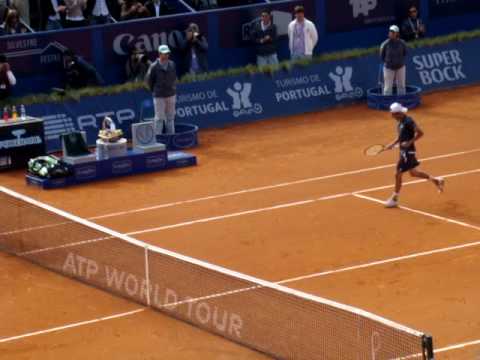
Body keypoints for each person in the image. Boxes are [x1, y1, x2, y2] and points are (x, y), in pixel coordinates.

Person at [383, 102, 444, 208]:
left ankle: (394, 199)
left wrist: (409, 142)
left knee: (397, 174)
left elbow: (420, 133)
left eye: (393, 114)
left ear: (399, 113)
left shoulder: (408, 121)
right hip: (403, 152)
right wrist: (392, 144)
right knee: (414, 173)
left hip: (408, 152)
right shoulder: (400, 123)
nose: (392, 116)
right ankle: (437, 181)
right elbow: (400, 138)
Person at [146, 45, 177, 135]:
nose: (166, 55)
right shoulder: (154, 66)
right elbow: (149, 81)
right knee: (159, 118)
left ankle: (171, 137)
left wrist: (173, 87)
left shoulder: (172, 64)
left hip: (171, 94)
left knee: (170, 118)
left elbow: (174, 77)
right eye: (164, 54)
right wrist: (155, 91)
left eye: (167, 53)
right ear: (159, 54)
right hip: (159, 96)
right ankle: (158, 139)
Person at [380, 25, 408, 95]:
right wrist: (389, 63)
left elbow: (405, 53)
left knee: (401, 86)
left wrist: (398, 61)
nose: (390, 33)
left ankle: (401, 102)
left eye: (393, 32)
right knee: (388, 87)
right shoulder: (385, 44)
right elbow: (382, 56)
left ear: (397, 34)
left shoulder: (402, 43)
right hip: (388, 68)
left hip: (400, 67)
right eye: (390, 31)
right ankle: (387, 104)